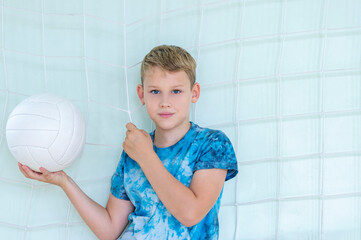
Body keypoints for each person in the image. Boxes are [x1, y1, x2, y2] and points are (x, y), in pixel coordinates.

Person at [18, 45, 238, 240]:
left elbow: (191, 214)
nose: (165, 102)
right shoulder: (133, 151)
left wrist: (146, 155)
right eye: (155, 91)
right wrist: (64, 181)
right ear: (141, 95)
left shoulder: (212, 144)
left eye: (176, 91)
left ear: (194, 92)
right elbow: (109, 230)